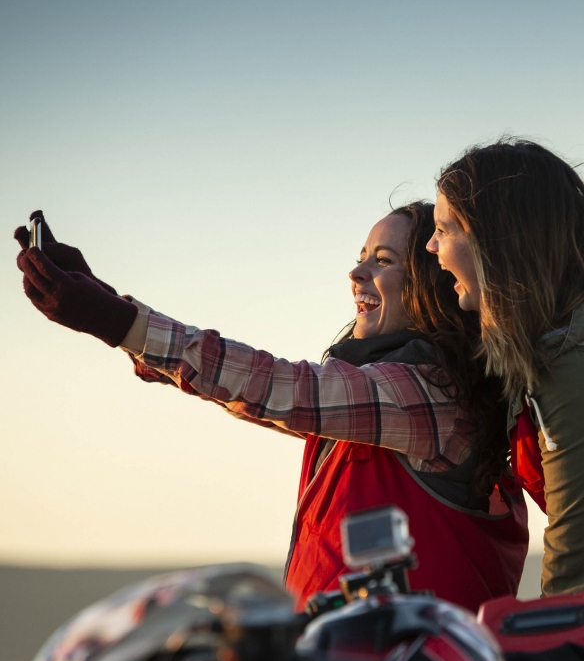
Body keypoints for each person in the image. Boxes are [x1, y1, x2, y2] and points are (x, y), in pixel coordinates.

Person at [14, 204, 527, 612]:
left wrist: (116, 318)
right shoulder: (379, 399)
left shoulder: (426, 394)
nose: (356, 271)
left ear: (430, 286)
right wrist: (102, 301)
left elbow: (279, 387)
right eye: (363, 255)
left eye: (383, 261)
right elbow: (255, 396)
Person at [427, 137, 584, 597]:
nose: (432, 246)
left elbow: (577, 546)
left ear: (499, 239)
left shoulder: (567, 362)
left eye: (446, 228)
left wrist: (552, 649)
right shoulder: (549, 348)